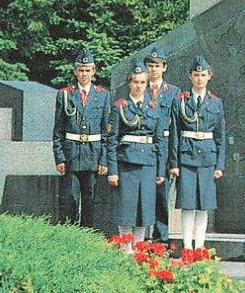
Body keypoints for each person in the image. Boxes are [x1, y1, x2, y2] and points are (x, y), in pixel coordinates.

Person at [168, 55, 226, 251]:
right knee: (187, 204)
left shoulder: (216, 103)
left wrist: (220, 165)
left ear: (209, 76)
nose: (199, 78)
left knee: (204, 205)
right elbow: (174, 134)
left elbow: (220, 136)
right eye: (196, 75)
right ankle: (187, 246)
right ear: (190, 76)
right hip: (186, 157)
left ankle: (199, 247)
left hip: (208, 158)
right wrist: (174, 163)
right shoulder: (180, 102)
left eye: (203, 75)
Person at [107, 60, 166, 246]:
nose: (139, 86)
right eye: (135, 82)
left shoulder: (154, 107)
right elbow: (112, 140)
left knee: (144, 210)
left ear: (147, 84)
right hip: (126, 163)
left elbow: (160, 141)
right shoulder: (120, 107)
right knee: (127, 209)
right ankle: (126, 249)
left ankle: (139, 249)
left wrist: (160, 171)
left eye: (142, 82)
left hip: (148, 164)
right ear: (129, 83)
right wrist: (113, 170)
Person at [52, 47, 110, 227]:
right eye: (81, 70)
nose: (84, 74)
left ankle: (87, 237)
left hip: (93, 154)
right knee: (69, 199)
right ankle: (70, 236)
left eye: (88, 70)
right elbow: (58, 131)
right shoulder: (65, 95)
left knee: (90, 200)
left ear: (94, 71)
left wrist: (104, 160)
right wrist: (59, 157)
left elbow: (105, 132)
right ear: (75, 71)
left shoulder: (103, 96)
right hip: (71, 154)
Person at [144, 46, 181, 242]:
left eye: (157, 66)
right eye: (150, 65)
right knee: (143, 195)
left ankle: (161, 239)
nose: (153, 69)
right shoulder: (139, 88)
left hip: (164, 150)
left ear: (164, 67)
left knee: (161, 196)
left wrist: (173, 160)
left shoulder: (174, 92)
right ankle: (142, 238)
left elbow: (176, 127)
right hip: (144, 148)